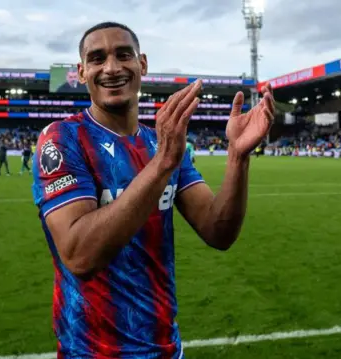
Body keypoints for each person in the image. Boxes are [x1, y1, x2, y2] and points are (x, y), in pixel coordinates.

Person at [31, 21, 275, 359]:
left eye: (123, 55)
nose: (112, 68)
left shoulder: (163, 143)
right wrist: (162, 163)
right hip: (90, 353)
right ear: (82, 72)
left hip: (165, 349)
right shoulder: (63, 139)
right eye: (97, 58)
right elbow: (79, 255)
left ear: (142, 64)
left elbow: (218, 230)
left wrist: (238, 156)